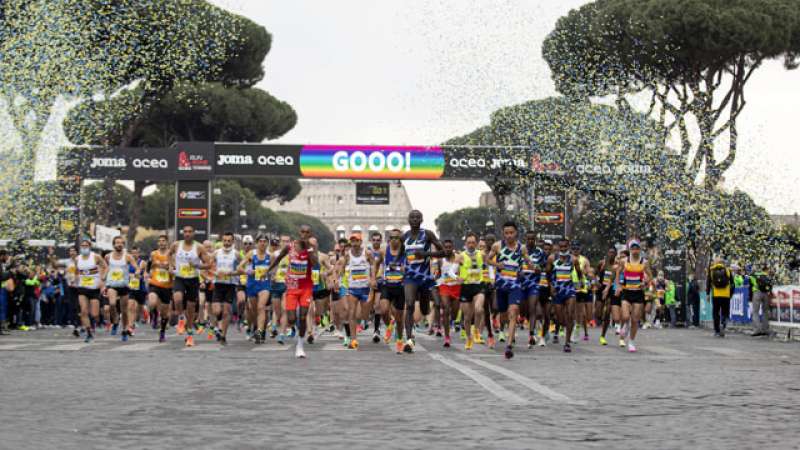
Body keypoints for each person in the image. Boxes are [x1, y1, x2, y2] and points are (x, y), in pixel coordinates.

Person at [265, 225, 319, 358]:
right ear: (299, 233)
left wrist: (309, 249)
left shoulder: (311, 248)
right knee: (291, 319)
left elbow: (315, 263)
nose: (305, 234)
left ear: (310, 234)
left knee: (303, 316)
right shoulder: (290, 246)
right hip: (292, 287)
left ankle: (300, 345)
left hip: (306, 287)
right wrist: (268, 270)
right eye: (303, 232)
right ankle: (294, 327)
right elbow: (278, 258)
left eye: (307, 232)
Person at [400, 210, 445, 353]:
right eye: (412, 217)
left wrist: (426, 254)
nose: (414, 219)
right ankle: (409, 339)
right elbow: (400, 256)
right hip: (410, 277)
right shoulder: (404, 237)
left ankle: (425, 313)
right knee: (410, 304)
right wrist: (400, 266)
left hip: (425, 277)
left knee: (425, 309)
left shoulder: (428, 234)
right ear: (408, 220)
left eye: (417, 217)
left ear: (422, 219)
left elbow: (443, 252)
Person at [169, 226, 212, 347]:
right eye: (185, 232)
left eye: (189, 232)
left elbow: (208, 264)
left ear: (194, 233)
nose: (187, 234)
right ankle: (181, 319)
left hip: (193, 280)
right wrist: (171, 266)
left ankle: (190, 335)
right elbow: (169, 254)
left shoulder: (199, 247)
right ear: (183, 233)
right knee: (177, 298)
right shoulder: (176, 245)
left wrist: (197, 266)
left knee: (191, 308)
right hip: (180, 278)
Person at [336, 232, 377, 349]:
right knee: (352, 313)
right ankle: (353, 340)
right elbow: (341, 269)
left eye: (356, 240)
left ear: (361, 242)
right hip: (353, 288)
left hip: (365, 288)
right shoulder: (347, 255)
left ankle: (366, 320)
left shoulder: (367, 253)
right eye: (352, 241)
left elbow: (373, 264)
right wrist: (336, 280)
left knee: (363, 315)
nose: (354, 243)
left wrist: (373, 278)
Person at [615, 239, 652, 352]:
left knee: (635, 319)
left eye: (637, 248)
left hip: (638, 293)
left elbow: (650, 276)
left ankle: (631, 342)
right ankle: (625, 326)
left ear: (639, 250)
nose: (635, 251)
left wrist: (645, 283)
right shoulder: (624, 261)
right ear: (630, 249)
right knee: (625, 316)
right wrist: (618, 286)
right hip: (626, 292)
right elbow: (618, 272)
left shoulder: (644, 262)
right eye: (633, 248)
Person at [374, 229, 406, 353]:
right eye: (391, 237)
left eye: (396, 238)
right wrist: (373, 277)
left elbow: (410, 267)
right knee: (383, 310)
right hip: (387, 285)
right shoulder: (383, 251)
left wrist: (403, 269)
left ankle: (399, 340)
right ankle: (389, 324)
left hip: (400, 286)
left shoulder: (405, 252)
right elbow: (376, 264)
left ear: (400, 239)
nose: (394, 240)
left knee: (399, 318)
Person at [547, 238, 580, 353]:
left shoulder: (573, 259)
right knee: (560, 319)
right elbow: (548, 273)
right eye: (561, 247)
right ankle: (566, 327)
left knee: (570, 315)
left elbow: (579, 273)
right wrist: (550, 286)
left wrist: (579, 284)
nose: (563, 249)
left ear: (568, 246)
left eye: (565, 247)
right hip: (557, 291)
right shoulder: (552, 258)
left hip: (570, 290)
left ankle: (567, 343)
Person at [74, 240, 108, 343]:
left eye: (86, 245)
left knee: (95, 314)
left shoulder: (95, 257)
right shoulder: (77, 259)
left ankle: (93, 324)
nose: (84, 247)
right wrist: (76, 281)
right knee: (84, 311)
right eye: (82, 246)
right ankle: (89, 332)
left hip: (94, 288)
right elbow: (76, 271)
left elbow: (106, 267)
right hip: (82, 287)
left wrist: (102, 279)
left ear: (90, 246)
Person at [240, 234, 271, 344]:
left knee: (261, 307)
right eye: (260, 241)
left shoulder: (270, 255)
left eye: (265, 241)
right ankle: (256, 327)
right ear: (257, 243)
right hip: (252, 284)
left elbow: (276, 269)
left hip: (264, 285)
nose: (262, 243)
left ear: (267, 243)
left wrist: (273, 274)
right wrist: (248, 272)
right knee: (253, 311)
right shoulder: (251, 254)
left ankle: (260, 331)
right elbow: (239, 268)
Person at [212, 232, 242, 345]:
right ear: (222, 241)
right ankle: (218, 327)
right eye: (225, 240)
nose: (226, 243)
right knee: (216, 310)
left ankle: (223, 335)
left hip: (230, 285)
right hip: (218, 284)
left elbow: (242, 269)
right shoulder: (216, 253)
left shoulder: (237, 254)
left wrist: (232, 273)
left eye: (229, 241)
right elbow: (208, 266)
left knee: (226, 312)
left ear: (233, 242)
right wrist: (215, 273)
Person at [458, 232, 484, 351]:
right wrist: (456, 277)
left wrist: (492, 278)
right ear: (465, 244)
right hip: (466, 287)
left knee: (479, 309)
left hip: (479, 286)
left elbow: (489, 266)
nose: (471, 244)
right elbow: (451, 270)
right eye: (469, 242)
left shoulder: (481, 254)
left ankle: (477, 331)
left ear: (477, 243)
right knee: (467, 317)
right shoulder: (461, 256)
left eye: (473, 242)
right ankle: (469, 337)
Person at [437, 239, 462, 348]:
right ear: (443, 248)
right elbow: (439, 274)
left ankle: (451, 322)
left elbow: (462, 270)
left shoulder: (458, 258)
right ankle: (447, 337)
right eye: (445, 247)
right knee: (446, 308)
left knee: (455, 313)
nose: (447, 249)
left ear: (452, 247)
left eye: (449, 247)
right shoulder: (440, 260)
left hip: (456, 287)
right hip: (444, 287)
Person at [147, 235, 173, 342]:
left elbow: (175, 267)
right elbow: (149, 265)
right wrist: (147, 273)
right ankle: (153, 315)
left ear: (167, 242)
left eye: (163, 241)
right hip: (155, 283)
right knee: (152, 302)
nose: (161, 243)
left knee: (165, 313)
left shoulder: (171, 255)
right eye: (160, 241)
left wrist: (170, 268)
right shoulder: (154, 254)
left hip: (167, 285)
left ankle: (162, 332)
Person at [706, 257, 734, 338]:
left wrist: (708, 294)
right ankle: (723, 323)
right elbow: (732, 284)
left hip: (716, 295)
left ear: (715, 263)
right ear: (723, 263)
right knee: (725, 312)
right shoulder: (728, 270)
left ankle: (717, 331)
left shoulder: (711, 271)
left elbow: (708, 283)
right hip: (725, 295)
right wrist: (730, 294)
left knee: (715, 313)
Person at [750, 264, 773, 337]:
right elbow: (771, 285)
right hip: (765, 294)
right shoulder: (767, 276)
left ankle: (757, 330)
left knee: (755, 311)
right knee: (765, 311)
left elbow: (749, 283)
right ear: (766, 270)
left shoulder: (754, 275)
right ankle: (765, 329)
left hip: (757, 292)